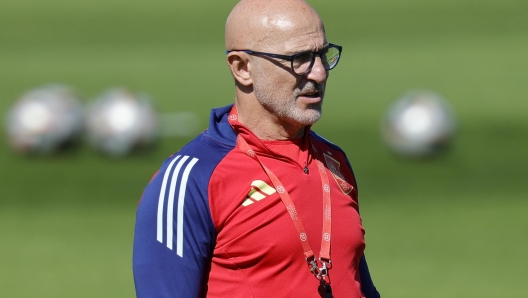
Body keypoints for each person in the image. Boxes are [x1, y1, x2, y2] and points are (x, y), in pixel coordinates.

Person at [133, 0, 380, 297]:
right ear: (242, 68)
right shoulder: (191, 178)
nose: (319, 73)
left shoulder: (332, 160)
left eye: (322, 54)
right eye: (299, 58)